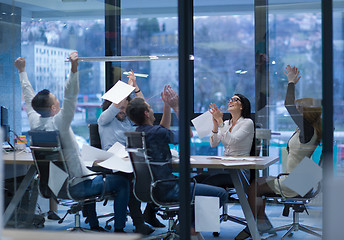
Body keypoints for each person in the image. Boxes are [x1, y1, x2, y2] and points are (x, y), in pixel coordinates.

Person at [15, 52, 129, 233]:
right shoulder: (60, 121)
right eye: (56, 101)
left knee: (91, 174)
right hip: (77, 185)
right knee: (122, 183)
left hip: (56, 186)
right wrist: (74, 69)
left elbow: (29, 99)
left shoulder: (34, 121)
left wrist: (22, 71)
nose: (60, 102)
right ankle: (120, 230)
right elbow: (71, 96)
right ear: (53, 108)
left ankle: (93, 225)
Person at [126, 85, 228, 239]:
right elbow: (188, 134)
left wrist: (167, 105)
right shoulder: (156, 133)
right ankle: (190, 227)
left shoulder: (138, 133)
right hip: (168, 188)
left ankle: (184, 224)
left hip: (151, 188)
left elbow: (162, 129)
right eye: (150, 108)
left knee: (200, 181)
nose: (153, 110)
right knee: (220, 194)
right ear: (147, 113)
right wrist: (177, 107)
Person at [235, 65, 322, 240]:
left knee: (253, 188)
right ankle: (261, 222)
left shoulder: (307, 130)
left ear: (307, 113)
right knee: (256, 183)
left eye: (299, 109)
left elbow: (288, 104)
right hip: (301, 179)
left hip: (294, 182)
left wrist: (291, 83)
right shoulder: (309, 130)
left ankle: (253, 227)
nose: (296, 111)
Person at [97, 71, 164, 235]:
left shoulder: (127, 120)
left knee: (156, 174)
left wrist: (136, 88)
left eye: (125, 109)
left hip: (128, 162)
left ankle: (149, 212)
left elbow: (143, 108)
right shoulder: (105, 119)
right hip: (112, 163)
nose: (122, 110)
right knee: (131, 181)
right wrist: (126, 88)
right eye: (119, 107)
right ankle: (139, 222)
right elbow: (115, 106)